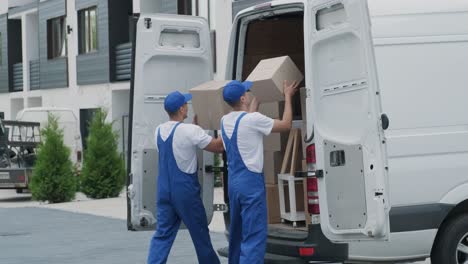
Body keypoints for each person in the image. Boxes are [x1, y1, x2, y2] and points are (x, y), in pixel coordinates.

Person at [220, 80, 299, 263]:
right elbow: (286, 124)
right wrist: (288, 95)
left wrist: (256, 101)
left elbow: (246, 120)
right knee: (254, 237)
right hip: (251, 185)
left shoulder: (225, 121)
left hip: (234, 184)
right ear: (242, 97)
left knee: (237, 235)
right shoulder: (252, 120)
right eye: (246, 92)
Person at [147, 91, 224, 264]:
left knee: (162, 235)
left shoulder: (159, 130)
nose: (188, 106)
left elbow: (180, 144)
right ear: (182, 108)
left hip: (164, 191)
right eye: (186, 104)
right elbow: (218, 147)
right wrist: (226, 126)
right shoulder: (190, 130)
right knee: (200, 234)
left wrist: (196, 129)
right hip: (185, 192)